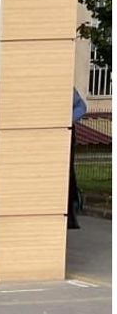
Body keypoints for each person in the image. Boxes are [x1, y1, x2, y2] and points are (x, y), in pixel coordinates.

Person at [68, 88, 87, 229]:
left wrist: (67, 120)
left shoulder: (66, 87)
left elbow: (81, 107)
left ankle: (70, 216)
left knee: (67, 175)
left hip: (65, 132)